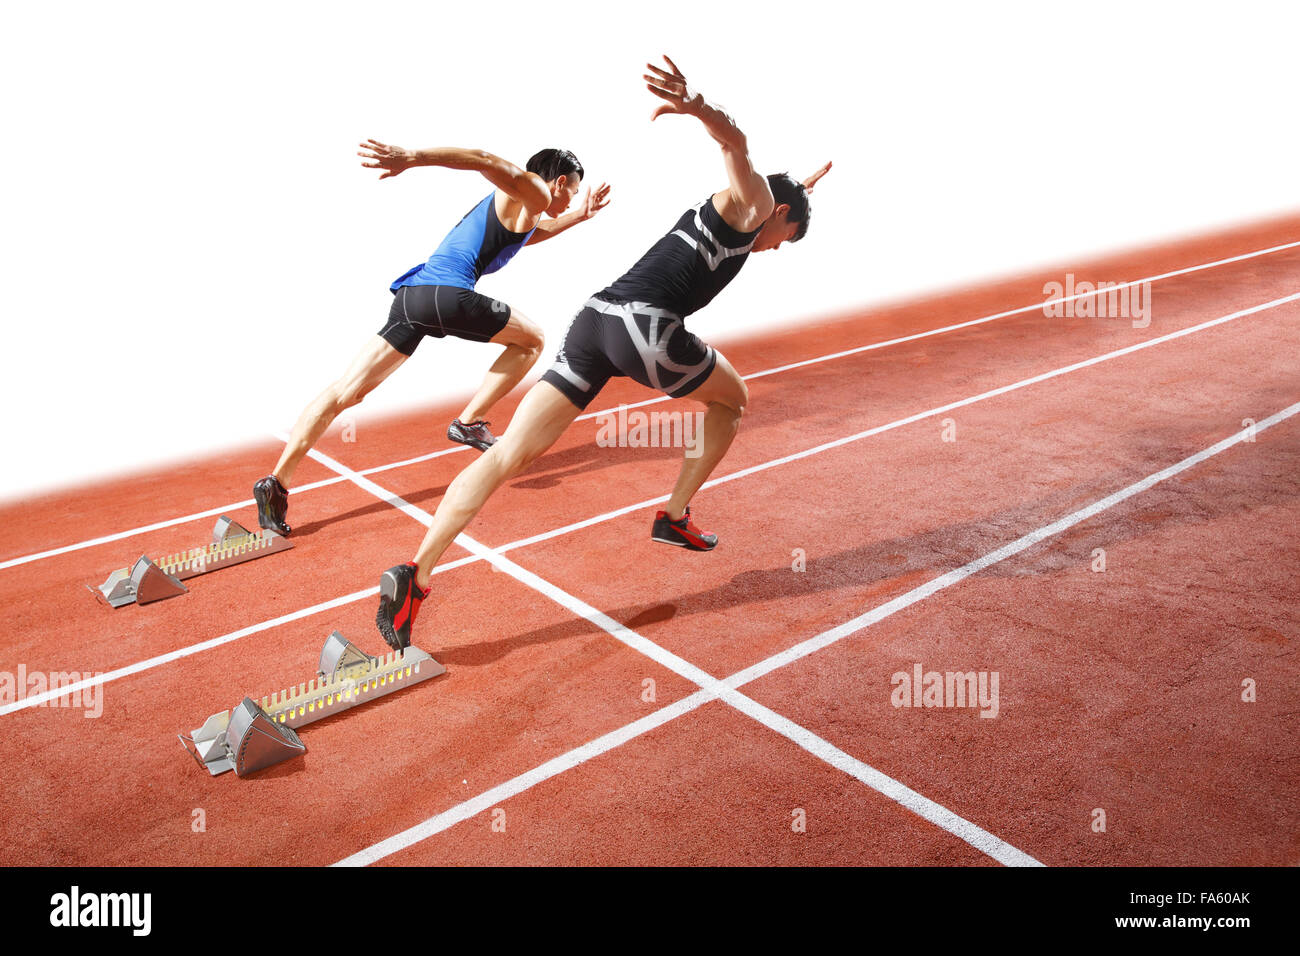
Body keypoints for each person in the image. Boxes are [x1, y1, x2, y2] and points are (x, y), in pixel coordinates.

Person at [375, 56, 831, 649]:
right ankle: (674, 516)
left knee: (508, 451)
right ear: (779, 215)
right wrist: (699, 110)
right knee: (734, 401)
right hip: (646, 328)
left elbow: (767, 184)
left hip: (595, 321)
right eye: (784, 238)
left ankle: (416, 575)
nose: (772, 250)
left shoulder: (755, 208)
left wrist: (801, 190)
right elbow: (738, 145)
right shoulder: (750, 204)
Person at [252, 142, 611, 535]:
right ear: (559, 182)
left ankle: (276, 483)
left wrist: (580, 216)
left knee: (345, 392)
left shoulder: (522, 209)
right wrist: (412, 159)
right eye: (573, 191)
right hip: (447, 295)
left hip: (415, 298)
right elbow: (485, 159)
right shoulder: (536, 191)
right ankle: (470, 421)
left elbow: (531, 234)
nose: (570, 199)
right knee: (533, 341)